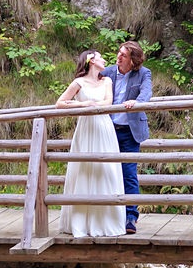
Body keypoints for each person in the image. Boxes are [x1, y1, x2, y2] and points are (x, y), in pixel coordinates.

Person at [56, 50, 126, 237]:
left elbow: (108, 102)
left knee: (106, 170)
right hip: (86, 128)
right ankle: (81, 222)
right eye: (100, 57)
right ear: (92, 61)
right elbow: (60, 103)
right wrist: (83, 105)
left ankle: (106, 221)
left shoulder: (107, 81)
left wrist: (95, 105)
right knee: (85, 169)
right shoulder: (78, 83)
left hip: (104, 127)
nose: (104, 59)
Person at [101, 41, 152, 234]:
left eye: (123, 55)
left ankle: (131, 216)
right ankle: (111, 214)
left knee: (129, 172)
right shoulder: (108, 72)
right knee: (107, 172)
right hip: (109, 130)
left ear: (133, 60)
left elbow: (147, 92)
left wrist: (137, 102)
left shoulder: (143, 73)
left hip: (130, 131)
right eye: (119, 53)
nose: (119, 57)